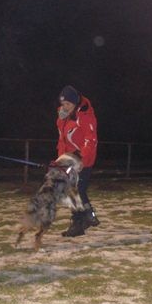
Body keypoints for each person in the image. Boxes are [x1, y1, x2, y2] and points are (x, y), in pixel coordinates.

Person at [56, 85, 100, 237]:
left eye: (68, 104)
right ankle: (87, 217)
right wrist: (61, 161)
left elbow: (91, 139)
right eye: (63, 104)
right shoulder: (63, 117)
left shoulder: (85, 115)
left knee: (75, 191)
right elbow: (62, 141)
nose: (65, 107)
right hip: (69, 159)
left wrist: (81, 158)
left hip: (83, 159)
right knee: (73, 190)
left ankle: (81, 221)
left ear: (75, 102)